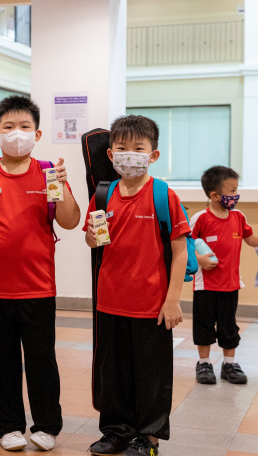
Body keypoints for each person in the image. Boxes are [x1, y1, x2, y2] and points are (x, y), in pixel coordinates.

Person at [0, 95, 81, 452]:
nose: (17, 133)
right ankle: (8, 426)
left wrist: (60, 186)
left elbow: (70, 221)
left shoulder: (48, 172)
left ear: (37, 133)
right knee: (2, 363)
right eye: (9, 127)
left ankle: (46, 425)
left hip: (38, 288)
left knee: (42, 359)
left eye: (25, 127)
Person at [84, 115, 190, 456]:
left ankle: (149, 437)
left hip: (151, 304)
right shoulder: (103, 194)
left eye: (138, 149)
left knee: (151, 375)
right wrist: (91, 235)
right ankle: (116, 431)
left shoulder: (163, 195)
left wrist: (172, 300)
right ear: (111, 154)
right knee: (112, 373)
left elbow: (178, 251)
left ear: (153, 155)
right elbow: (94, 243)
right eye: (122, 148)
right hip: (110, 301)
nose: (129, 155)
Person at [191, 166, 258, 385]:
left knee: (229, 327)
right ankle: (204, 363)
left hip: (231, 285)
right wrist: (199, 260)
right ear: (215, 195)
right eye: (232, 190)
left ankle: (229, 364)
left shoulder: (238, 216)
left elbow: (250, 239)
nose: (236, 195)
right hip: (206, 286)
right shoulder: (201, 218)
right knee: (204, 326)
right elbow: (186, 245)